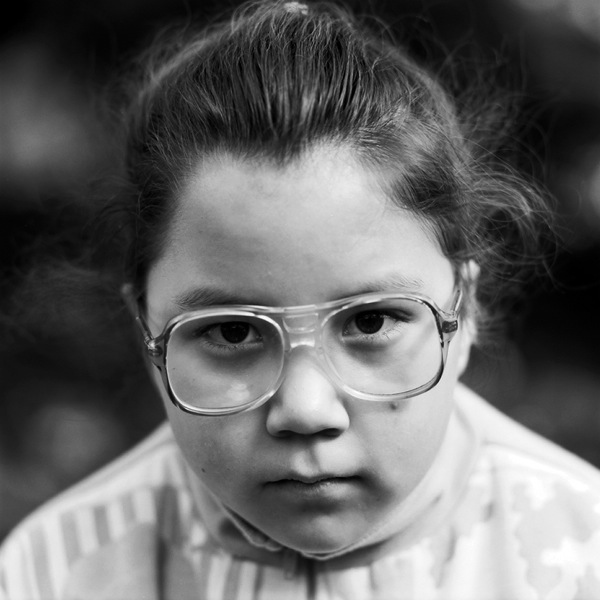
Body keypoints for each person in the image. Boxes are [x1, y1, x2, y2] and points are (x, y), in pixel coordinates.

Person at [1, 1, 600, 598]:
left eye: (371, 320)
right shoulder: (52, 573)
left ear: (462, 315)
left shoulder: (582, 559)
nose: (307, 411)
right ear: (147, 334)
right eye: (232, 332)